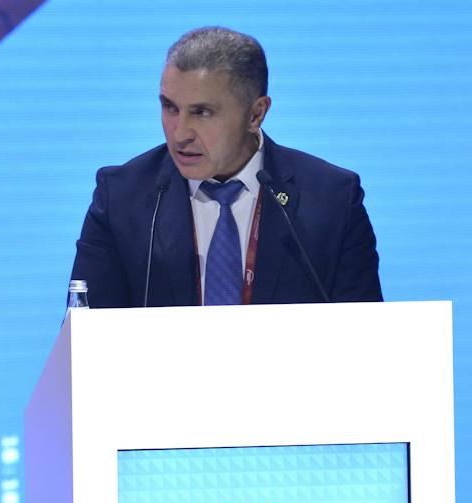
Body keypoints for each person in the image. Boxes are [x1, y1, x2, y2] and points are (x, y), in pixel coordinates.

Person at [70, 26, 382, 307]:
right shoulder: (122, 197)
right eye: (170, 108)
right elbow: (83, 337)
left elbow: (367, 336)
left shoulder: (333, 201)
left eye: (202, 112)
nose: (180, 133)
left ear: (256, 114)